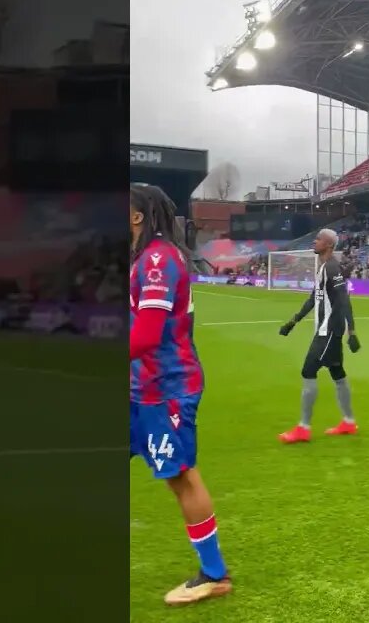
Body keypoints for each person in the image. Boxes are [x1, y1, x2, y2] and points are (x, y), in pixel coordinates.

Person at [129, 183, 231, 606]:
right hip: (137, 385)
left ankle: (214, 574)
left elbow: (148, 335)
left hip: (166, 387)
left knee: (180, 476)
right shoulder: (139, 257)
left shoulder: (157, 258)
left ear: (136, 215)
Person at [277, 228, 360, 443]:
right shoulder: (323, 267)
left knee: (308, 371)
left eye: (319, 239)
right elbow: (314, 299)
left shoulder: (333, 268)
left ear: (329, 245)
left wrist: (351, 331)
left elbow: (344, 300)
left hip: (329, 332)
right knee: (338, 374)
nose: (314, 241)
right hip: (325, 330)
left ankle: (303, 428)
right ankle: (349, 422)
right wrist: (293, 322)